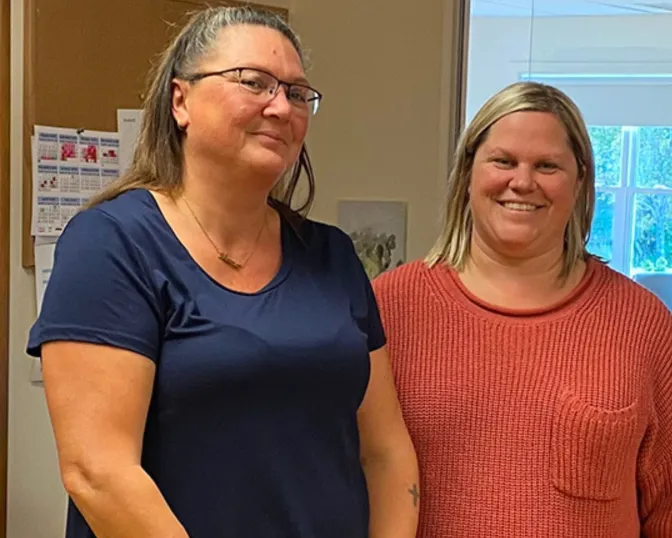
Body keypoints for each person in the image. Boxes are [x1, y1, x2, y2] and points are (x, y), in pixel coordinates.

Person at [27, 7, 418, 538]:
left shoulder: (333, 257)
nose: (280, 107)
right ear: (180, 101)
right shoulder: (112, 243)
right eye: (253, 82)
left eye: (298, 93)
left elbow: (386, 453)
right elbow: (99, 473)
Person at [372, 81, 672, 537]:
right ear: (468, 174)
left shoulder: (642, 325)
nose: (522, 181)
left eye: (547, 165)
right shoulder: (386, 308)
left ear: (580, 182)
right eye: (503, 160)